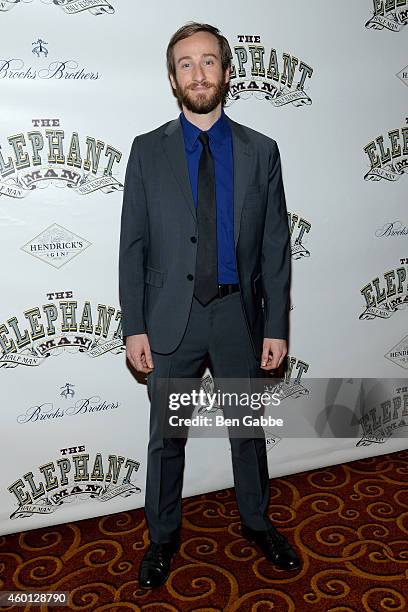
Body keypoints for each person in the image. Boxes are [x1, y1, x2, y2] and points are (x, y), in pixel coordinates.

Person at [119, 22, 301, 590]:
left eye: (208, 62)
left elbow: (275, 247)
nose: (198, 74)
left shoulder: (261, 151)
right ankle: (163, 537)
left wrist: (276, 325)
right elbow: (133, 244)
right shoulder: (147, 152)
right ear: (172, 79)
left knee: (248, 432)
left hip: (236, 318)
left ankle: (256, 523)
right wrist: (134, 326)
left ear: (226, 71)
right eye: (185, 64)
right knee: (167, 437)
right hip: (171, 319)